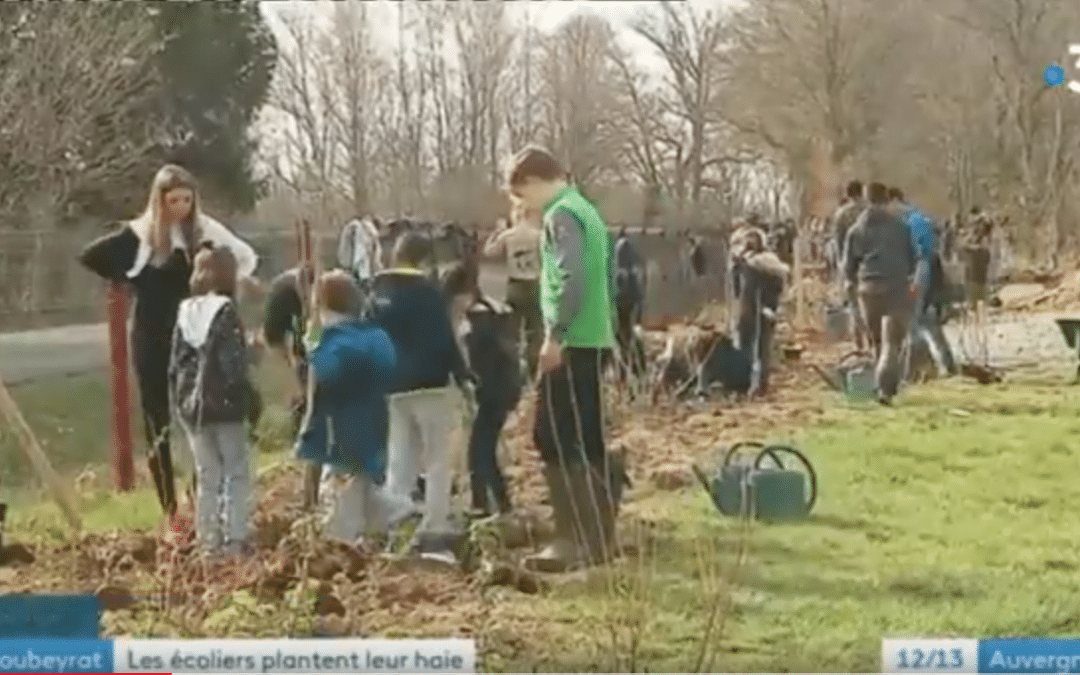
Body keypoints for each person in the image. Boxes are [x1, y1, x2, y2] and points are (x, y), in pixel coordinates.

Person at [79, 164, 258, 517]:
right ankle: (169, 510)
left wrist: (223, 286)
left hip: (194, 335)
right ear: (159, 201)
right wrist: (127, 280)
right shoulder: (141, 235)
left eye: (186, 199)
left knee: (200, 414)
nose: (180, 207)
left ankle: (199, 497)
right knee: (156, 418)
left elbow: (245, 257)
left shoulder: (206, 230)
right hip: (151, 335)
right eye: (173, 200)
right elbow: (92, 255)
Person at [504, 145, 618, 573]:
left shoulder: (561, 215)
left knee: (554, 436)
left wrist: (556, 336)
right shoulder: (585, 209)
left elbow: (572, 277)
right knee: (586, 438)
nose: (522, 206)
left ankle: (573, 539)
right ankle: (599, 538)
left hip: (573, 342)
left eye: (521, 195)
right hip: (593, 338)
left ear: (534, 182)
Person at [366, 233, 473, 563]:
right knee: (437, 457)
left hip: (394, 387)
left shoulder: (378, 294)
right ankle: (434, 525)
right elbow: (443, 336)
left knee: (401, 457)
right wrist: (463, 375)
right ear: (425, 260)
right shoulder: (428, 294)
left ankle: (398, 522)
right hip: (430, 384)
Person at [296, 271, 409, 548]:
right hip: (374, 433)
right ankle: (401, 516)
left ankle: (345, 556)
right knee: (367, 493)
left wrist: (313, 349)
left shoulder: (329, 347)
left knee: (339, 523)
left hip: (338, 442)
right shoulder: (377, 338)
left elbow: (321, 395)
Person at [168, 246, 252, 557]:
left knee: (207, 474)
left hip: (192, 407)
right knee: (236, 471)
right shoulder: (226, 311)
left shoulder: (184, 311)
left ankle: (208, 541)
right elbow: (232, 364)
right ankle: (235, 538)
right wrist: (246, 393)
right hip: (226, 405)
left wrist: (179, 402)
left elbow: (175, 364)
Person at [843, 182, 916, 405]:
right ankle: (887, 389)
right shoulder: (901, 227)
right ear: (886, 199)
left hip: (868, 289)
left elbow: (847, 267)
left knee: (876, 342)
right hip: (895, 286)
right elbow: (912, 259)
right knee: (892, 342)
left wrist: (852, 284)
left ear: (866, 199)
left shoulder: (856, 229)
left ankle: (879, 385)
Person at [461, 294, 522, 518]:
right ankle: (499, 502)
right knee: (483, 451)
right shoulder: (499, 336)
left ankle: (482, 504)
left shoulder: (481, 337)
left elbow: (479, 372)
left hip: (491, 398)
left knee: (479, 451)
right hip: (500, 397)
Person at [888, 188, 957, 378]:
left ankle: (917, 370)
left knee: (913, 323)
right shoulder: (916, 218)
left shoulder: (911, 221)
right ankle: (947, 364)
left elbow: (921, 254)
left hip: (917, 274)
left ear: (895, 200)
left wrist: (913, 282)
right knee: (929, 321)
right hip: (924, 273)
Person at [483, 208, 542, 378]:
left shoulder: (508, 235)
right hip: (534, 284)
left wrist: (497, 231)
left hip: (514, 284)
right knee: (535, 333)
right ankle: (533, 373)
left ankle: (513, 373)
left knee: (512, 334)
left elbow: (489, 252)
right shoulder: (539, 235)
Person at [730, 227, 788, 396]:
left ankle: (759, 385)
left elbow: (777, 287)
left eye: (753, 240)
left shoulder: (767, 263)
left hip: (761, 308)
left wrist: (771, 307)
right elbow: (736, 288)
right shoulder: (743, 262)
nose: (750, 244)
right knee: (747, 346)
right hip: (748, 309)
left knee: (760, 348)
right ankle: (746, 383)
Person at [612, 226, 646, 380]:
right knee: (632, 335)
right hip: (632, 301)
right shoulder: (631, 253)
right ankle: (637, 371)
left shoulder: (620, 248)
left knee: (623, 337)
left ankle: (625, 371)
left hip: (623, 302)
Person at [336, 216, 383, 296]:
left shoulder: (352, 227)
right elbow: (370, 255)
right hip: (362, 271)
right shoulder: (368, 231)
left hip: (351, 266)